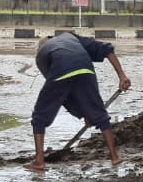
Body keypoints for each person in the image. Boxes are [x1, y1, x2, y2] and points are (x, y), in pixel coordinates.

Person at [26, 32, 131, 172]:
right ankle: (115, 158)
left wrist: (81, 114)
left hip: (62, 70)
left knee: (40, 116)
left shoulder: (41, 56)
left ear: (40, 48)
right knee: (100, 115)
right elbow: (106, 49)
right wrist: (122, 76)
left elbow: (61, 96)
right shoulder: (71, 37)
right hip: (85, 68)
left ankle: (39, 161)